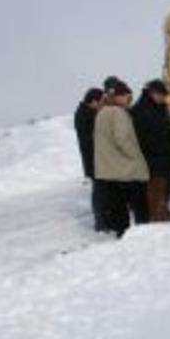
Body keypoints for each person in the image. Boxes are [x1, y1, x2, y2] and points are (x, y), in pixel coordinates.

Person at [93, 80, 150, 238]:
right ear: (118, 96)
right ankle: (144, 236)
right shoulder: (118, 113)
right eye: (127, 96)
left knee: (118, 208)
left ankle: (122, 237)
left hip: (109, 171)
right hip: (126, 170)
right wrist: (136, 155)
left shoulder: (102, 112)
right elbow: (122, 139)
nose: (128, 100)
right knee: (140, 207)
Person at [131, 79, 170, 222]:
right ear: (152, 93)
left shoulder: (161, 107)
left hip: (164, 156)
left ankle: (163, 211)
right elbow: (141, 137)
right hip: (151, 158)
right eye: (161, 95)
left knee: (165, 186)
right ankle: (157, 216)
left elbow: (167, 131)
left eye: (164, 95)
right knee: (154, 187)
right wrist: (154, 151)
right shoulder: (140, 110)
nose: (163, 98)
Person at [74, 87, 105, 231]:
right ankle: (100, 222)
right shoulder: (86, 115)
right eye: (100, 102)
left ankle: (102, 220)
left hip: (94, 158)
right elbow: (92, 138)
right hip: (93, 159)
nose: (102, 105)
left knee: (100, 190)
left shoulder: (85, 112)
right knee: (99, 191)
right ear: (93, 101)